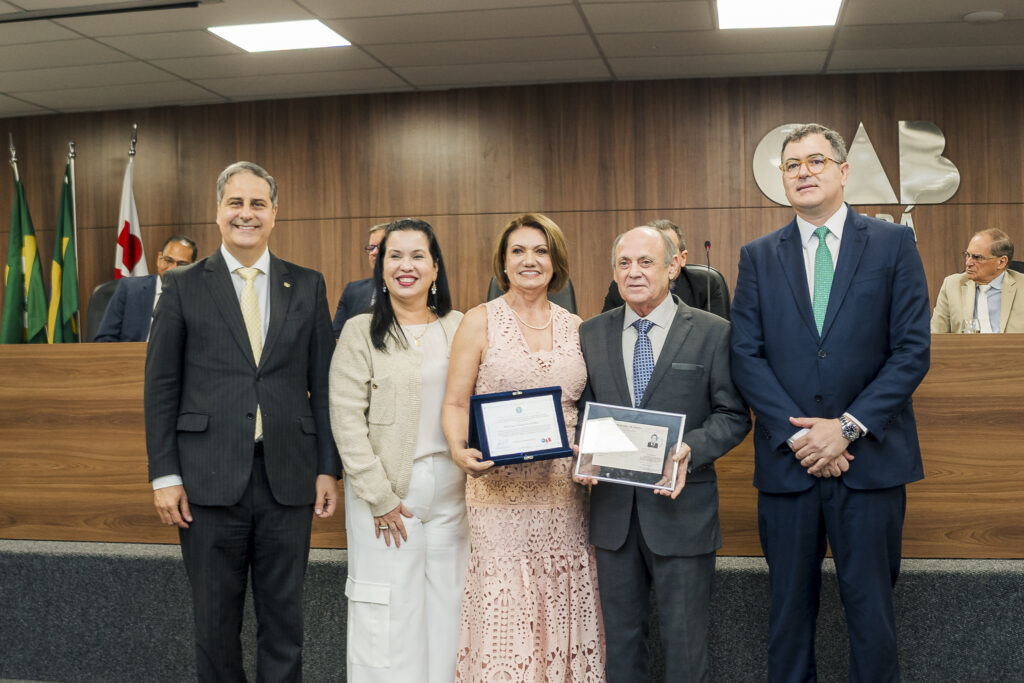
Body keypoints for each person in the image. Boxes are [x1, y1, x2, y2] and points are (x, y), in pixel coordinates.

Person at [730, 124, 930, 682]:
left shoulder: (893, 244)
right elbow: (746, 356)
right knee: (788, 617)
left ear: (844, 172)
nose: (803, 172)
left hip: (869, 464)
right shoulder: (758, 257)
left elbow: (912, 351)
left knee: (872, 615)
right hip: (789, 467)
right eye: (792, 165)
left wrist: (844, 428)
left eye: (816, 161)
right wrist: (801, 436)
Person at [144, 161, 340, 681]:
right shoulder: (182, 285)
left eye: (257, 204)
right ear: (218, 211)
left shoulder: (308, 284)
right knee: (214, 626)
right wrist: (165, 475)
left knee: (285, 624)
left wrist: (328, 468)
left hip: (288, 480)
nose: (246, 214)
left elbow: (322, 386)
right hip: (205, 482)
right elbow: (160, 388)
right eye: (236, 203)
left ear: (275, 213)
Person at [577, 226, 750, 682]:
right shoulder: (591, 334)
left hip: (682, 513)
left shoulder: (714, 332)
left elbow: (733, 416)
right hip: (614, 515)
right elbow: (583, 409)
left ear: (674, 267)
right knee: (622, 645)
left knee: (685, 646)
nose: (633, 273)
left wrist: (691, 447)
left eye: (646, 262)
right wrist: (582, 450)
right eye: (624, 264)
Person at [442, 213, 605, 681]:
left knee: (563, 600)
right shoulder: (478, 321)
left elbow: (591, 409)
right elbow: (455, 402)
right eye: (518, 251)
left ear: (556, 262)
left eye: (541, 250)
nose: (529, 260)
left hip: (564, 498)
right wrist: (459, 449)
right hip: (498, 499)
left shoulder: (579, 327)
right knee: (506, 612)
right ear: (503, 262)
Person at [329, 219, 468, 682]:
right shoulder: (359, 330)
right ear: (380, 266)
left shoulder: (461, 326)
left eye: (417, 256)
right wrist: (380, 496)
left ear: (435, 268)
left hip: (454, 493)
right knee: (386, 615)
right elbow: (346, 421)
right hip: (386, 494)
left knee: (449, 608)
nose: (405, 266)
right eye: (395, 256)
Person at [601, 219, 729, 320]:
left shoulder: (704, 283)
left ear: (680, 259)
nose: (634, 273)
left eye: (646, 262)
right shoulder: (626, 285)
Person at [94, 234, 197, 341]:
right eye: (168, 260)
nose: (173, 268)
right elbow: (104, 338)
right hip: (132, 356)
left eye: (182, 264)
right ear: (159, 259)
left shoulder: (198, 298)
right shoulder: (129, 289)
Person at [931, 228, 1023, 333]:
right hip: (966, 349)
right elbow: (936, 334)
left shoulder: (1021, 286)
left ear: (1001, 262)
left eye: (977, 257)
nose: (968, 263)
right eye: (967, 255)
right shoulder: (952, 285)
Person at [332, 223, 386, 338]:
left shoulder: (410, 290)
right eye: (371, 248)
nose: (373, 252)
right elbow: (337, 336)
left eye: (380, 247)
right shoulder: (352, 290)